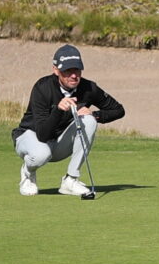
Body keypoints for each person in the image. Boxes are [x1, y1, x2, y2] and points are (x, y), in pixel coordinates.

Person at [15, 44, 125, 199]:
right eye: (68, 71)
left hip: (59, 143)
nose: (74, 75)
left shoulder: (88, 87)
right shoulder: (43, 87)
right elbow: (42, 135)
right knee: (41, 154)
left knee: (90, 121)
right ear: (56, 70)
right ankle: (28, 173)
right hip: (30, 137)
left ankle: (70, 180)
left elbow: (118, 110)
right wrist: (58, 110)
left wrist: (95, 114)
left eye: (77, 70)